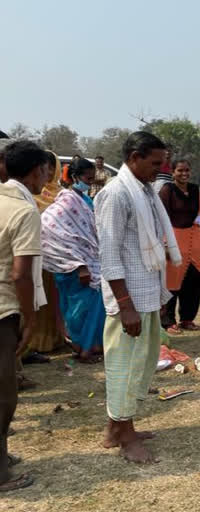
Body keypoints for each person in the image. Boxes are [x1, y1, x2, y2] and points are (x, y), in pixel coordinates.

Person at [95, 131, 182, 463]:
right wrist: (125, 305)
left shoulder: (146, 191)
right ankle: (126, 435)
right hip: (127, 301)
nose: (160, 170)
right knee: (124, 367)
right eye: (155, 163)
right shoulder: (116, 195)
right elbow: (109, 253)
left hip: (145, 294)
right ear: (134, 157)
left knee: (141, 365)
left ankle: (114, 429)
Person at [0, 140, 49, 492]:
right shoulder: (24, 211)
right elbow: (21, 274)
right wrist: (29, 320)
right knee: (4, 394)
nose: (48, 178)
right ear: (36, 172)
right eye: (46, 171)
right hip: (3, 310)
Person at [41, 158, 106, 363]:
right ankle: (82, 349)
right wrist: (79, 265)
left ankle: (91, 345)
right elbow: (53, 231)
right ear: (76, 177)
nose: (90, 182)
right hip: (73, 267)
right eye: (88, 178)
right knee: (77, 310)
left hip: (90, 263)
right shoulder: (67, 200)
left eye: (93, 179)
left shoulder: (84, 199)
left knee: (92, 308)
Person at [22, 151, 66, 363]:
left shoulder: (62, 195)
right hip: (33, 255)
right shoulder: (30, 195)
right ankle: (34, 342)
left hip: (56, 257)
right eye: (44, 167)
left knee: (52, 299)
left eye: (51, 166)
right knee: (36, 300)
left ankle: (55, 338)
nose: (47, 171)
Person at [158, 159, 200, 334]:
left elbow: (198, 214)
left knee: (192, 279)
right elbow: (161, 217)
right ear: (173, 172)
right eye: (180, 170)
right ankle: (168, 321)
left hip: (193, 239)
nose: (184, 173)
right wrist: (164, 243)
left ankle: (187, 319)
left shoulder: (194, 189)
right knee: (172, 281)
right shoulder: (167, 190)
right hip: (173, 239)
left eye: (187, 170)